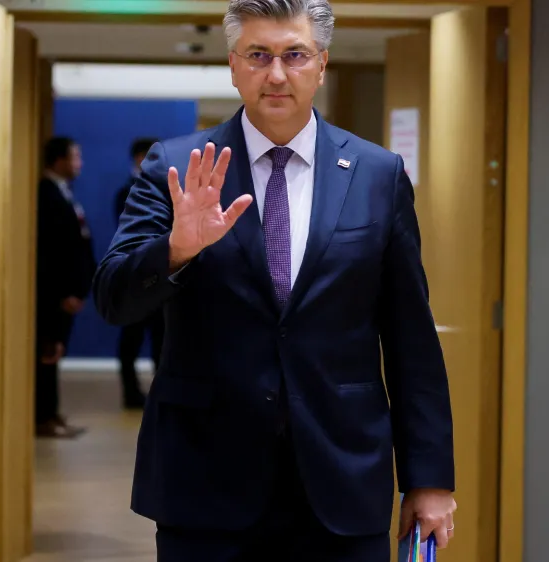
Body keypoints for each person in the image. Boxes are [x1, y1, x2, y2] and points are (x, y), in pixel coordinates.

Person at [93, 0, 457, 559]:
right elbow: (114, 299)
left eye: (295, 55)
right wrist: (177, 249)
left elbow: (411, 337)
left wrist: (428, 478)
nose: (278, 74)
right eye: (259, 55)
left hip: (342, 477)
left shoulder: (376, 175)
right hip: (206, 479)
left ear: (322, 64)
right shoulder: (177, 166)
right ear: (233, 65)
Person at [35, 136, 96, 439]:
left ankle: (51, 412)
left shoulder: (64, 192)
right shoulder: (46, 195)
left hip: (69, 292)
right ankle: (42, 416)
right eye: (75, 157)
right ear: (58, 160)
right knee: (47, 351)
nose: (79, 164)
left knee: (56, 351)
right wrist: (65, 292)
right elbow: (51, 251)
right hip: (54, 295)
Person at [112, 137, 165, 409]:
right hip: (134, 275)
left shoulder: (165, 188)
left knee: (163, 337)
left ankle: (161, 391)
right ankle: (131, 393)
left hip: (162, 274)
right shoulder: (127, 191)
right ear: (140, 158)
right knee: (131, 338)